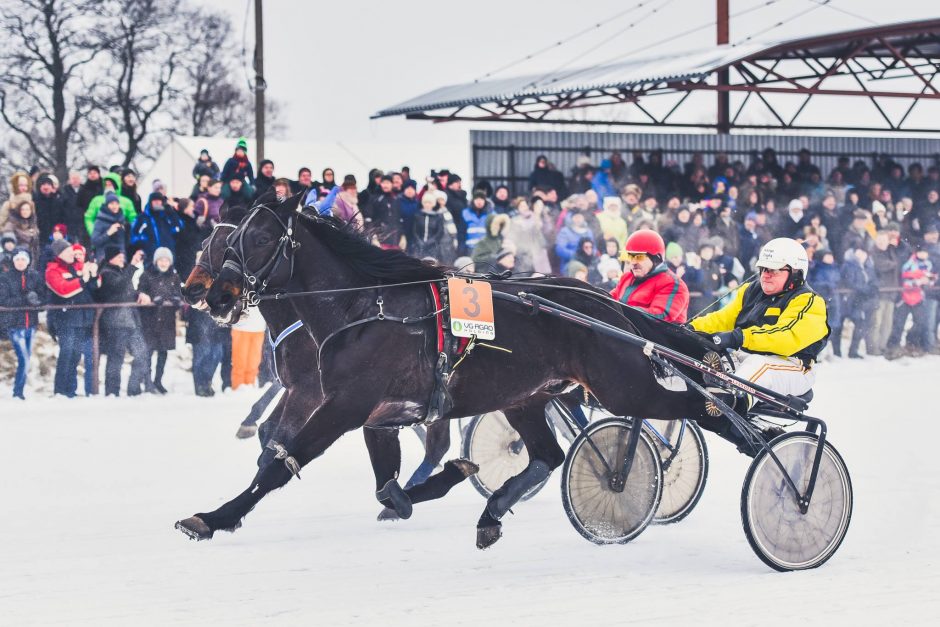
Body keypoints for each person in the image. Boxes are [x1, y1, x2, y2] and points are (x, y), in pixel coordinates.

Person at [690, 238, 829, 402]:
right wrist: (690, 328)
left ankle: (732, 403)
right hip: (747, 358)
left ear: (795, 273)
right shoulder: (751, 291)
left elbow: (785, 338)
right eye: (763, 269)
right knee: (703, 356)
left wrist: (739, 337)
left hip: (794, 367)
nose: (766, 275)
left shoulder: (809, 301)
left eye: (774, 270)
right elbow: (722, 318)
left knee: (759, 364)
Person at [45, 239, 98, 397]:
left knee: (75, 354)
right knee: (67, 353)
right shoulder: (52, 270)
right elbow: (63, 290)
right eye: (67, 251)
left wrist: (93, 275)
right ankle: (60, 390)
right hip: (64, 316)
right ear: (58, 254)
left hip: (81, 317)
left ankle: (71, 390)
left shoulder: (76, 266)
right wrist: (83, 280)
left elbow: (91, 287)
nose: (72, 253)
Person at [96, 247, 151, 396]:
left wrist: (140, 294)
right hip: (115, 323)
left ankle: (133, 389)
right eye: (119, 256)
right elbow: (118, 287)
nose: (122, 259)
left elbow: (129, 291)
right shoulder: (106, 274)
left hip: (132, 321)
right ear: (110, 259)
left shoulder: (122, 273)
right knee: (116, 358)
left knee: (142, 354)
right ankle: (112, 392)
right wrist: (132, 265)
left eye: (122, 256)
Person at [610, 230, 689, 323]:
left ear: (656, 259)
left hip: (654, 336)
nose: (633, 262)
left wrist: (621, 311)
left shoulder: (673, 284)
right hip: (622, 332)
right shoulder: (627, 278)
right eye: (631, 257)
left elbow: (659, 317)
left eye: (639, 257)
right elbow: (609, 300)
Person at [0, 248, 43, 399]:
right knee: (24, 358)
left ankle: (19, 391)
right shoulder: (5, 277)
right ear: (13, 261)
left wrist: (37, 301)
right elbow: (4, 300)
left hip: (30, 323)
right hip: (14, 324)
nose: (20, 262)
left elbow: (42, 296)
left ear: (28, 261)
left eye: (23, 259)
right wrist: (26, 299)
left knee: (26, 358)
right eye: (17, 259)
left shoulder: (35, 276)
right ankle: (18, 392)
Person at [137, 247, 182, 394]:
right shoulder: (146, 275)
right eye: (161, 260)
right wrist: (151, 301)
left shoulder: (174, 277)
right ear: (156, 261)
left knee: (163, 353)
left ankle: (158, 380)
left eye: (166, 260)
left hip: (167, 323)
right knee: (148, 353)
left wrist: (176, 301)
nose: (164, 263)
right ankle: (147, 381)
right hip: (150, 321)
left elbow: (178, 294)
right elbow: (140, 292)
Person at [130, 192, 182, 264]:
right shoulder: (142, 218)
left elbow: (178, 228)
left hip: (168, 254)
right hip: (150, 255)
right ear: (150, 202)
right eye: (155, 201)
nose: (157, 203)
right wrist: (146, 242)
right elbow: (133, 236)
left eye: (159, 200)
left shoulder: (167, 216)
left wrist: (172, 213)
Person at [410, 191, 456, 264]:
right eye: (425, 202)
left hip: (433, 248)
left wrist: (431, 241)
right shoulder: (418, 216)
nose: (427, 205)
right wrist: (419, 241)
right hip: (419, 246)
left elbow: (440, 232)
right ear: (423, 203)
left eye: (430, 203)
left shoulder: (437, 217)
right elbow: (414, 231)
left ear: (433, 204)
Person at [230, 305, 266, 389]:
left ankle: (250, 386)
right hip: (241, 327)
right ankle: (237, 388)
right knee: (239, 362)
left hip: (259, 328)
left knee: (254, 363)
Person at [91, 192, 128, 261]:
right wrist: (108, 233)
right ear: (107, 205)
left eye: (117, 204)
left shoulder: (121, 220)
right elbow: (95, 241)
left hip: (120, 258)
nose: (115, 206)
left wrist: (123, 255)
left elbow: (122, 243)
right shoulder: (100, 221)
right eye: (112, 204)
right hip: (105, 259)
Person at [2, 199, 40, 263]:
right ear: (19, 210)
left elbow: (35, 245)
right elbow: (8, 237)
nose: (25, 211)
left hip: (32, 258)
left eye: (27, 209)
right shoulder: (11, 223)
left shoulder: (32, 223)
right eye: (22, 209)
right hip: (17, 258)